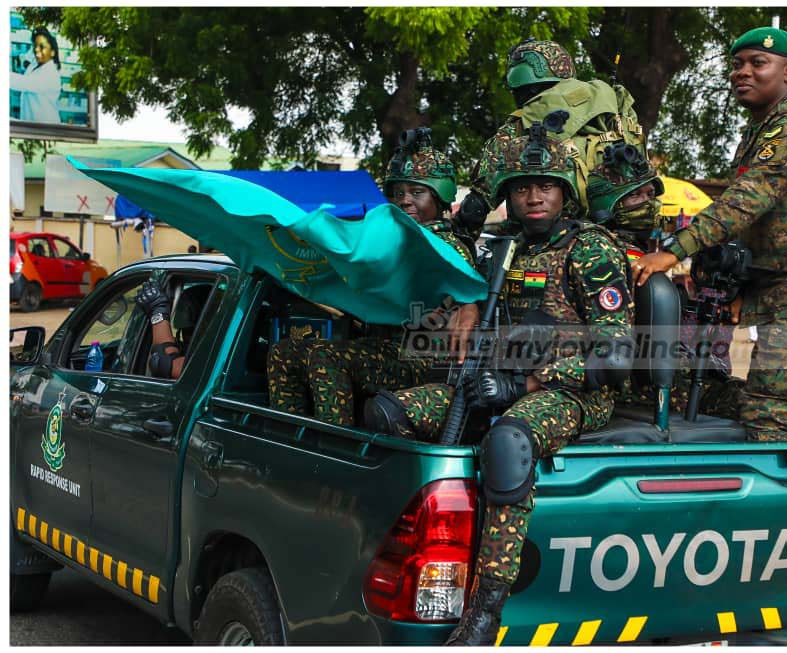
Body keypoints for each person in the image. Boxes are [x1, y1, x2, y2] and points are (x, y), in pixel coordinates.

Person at [364, 118, 634, 645]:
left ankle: (486, 606)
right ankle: (403, 551)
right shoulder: (500, 246)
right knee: (387, 414)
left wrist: (528, 385)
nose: (534, 197)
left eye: (546, 186)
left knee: (508, 441)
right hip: (489, 379)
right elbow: (442, 244)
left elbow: (618, 355)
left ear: (566, 192)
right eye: (521, 188)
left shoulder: (590, 249)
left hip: (572, 393)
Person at [632, 27, 787, 441]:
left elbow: (750, 198)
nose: (743, 72)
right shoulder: (759, 130)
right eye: (737, 65)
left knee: (765, 419)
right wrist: (742, 289)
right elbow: (759, 223)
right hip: (786, 288)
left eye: (759, 63)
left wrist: (673, 250)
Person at [266, 131, 476, 426]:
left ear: (439, 196)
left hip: (418, 357)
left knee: (326, 356)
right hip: (379, 346)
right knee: (284, 351)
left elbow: (464, 300)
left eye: (417, 193)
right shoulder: (390, 239)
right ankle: (288, 435)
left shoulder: (448, 248)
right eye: (398, 193)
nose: (405, 201)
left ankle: (334, 446)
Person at [586, 141, 744, 421]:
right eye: (638, 196)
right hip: (634, 387)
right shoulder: (602, 253)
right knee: (758, 402)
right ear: (609, 202)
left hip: (673, 373)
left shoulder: (641, 250)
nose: (650, 204)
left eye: (651, 194)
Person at [456, 37, 644, 235]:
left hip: (544, 248)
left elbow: (475, 208)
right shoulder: (619, 115)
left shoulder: (519, 127)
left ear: (522, 83)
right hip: (621, 241)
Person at [135, 278, 210, 379]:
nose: (186, 336)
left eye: (189, 331)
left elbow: (163, 363)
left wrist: (158, 312)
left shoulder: (219, 355)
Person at [10, 27, 62, 124]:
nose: (36, 50)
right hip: (31, 123)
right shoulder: (36, 64)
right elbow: (27, 57)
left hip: (46, 128)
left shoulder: (50, 74)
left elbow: (24, 83)